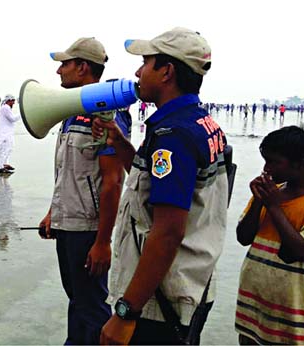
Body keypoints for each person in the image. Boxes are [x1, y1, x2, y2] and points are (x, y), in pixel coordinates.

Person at [95, 28, 227, 345]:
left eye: (146, 63)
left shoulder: (174, 136)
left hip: (159, 304)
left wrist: (126, 312)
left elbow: (168, 232)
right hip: (192, 287)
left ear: (166, 71)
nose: (138, 72)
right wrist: (121, 143)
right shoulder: (199, 123)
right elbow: (159, 188)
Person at [36, 37, 128, 345]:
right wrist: (53, 213)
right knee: (77, 300)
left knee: (91, 307)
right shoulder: (70, 112)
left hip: (88, 230)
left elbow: (113, 181)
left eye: (64, 64)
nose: (59, 71)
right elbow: (68, 172)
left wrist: (102, 242)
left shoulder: (107, 113)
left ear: (82, 67)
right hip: (67, 225)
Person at [235, 126, 304, 345]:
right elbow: (244, 237)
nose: (266, 168)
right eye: (265, 161)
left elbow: (298, 251)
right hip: (255, 312)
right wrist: (259, 203)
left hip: (294, 317)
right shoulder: (270, 193)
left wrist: (273, 206)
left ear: (300, 164)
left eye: (273, 162)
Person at [0, 95, 20, 174]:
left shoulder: (6, 108)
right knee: (4, 150)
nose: (14, 103)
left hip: (8, 133)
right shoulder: (5, 108)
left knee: (9, 149)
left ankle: (5, 164)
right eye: (13, 101)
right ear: (9, 101)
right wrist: (21, 113)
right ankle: (0, 167)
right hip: (5, 134)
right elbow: (12, 119)